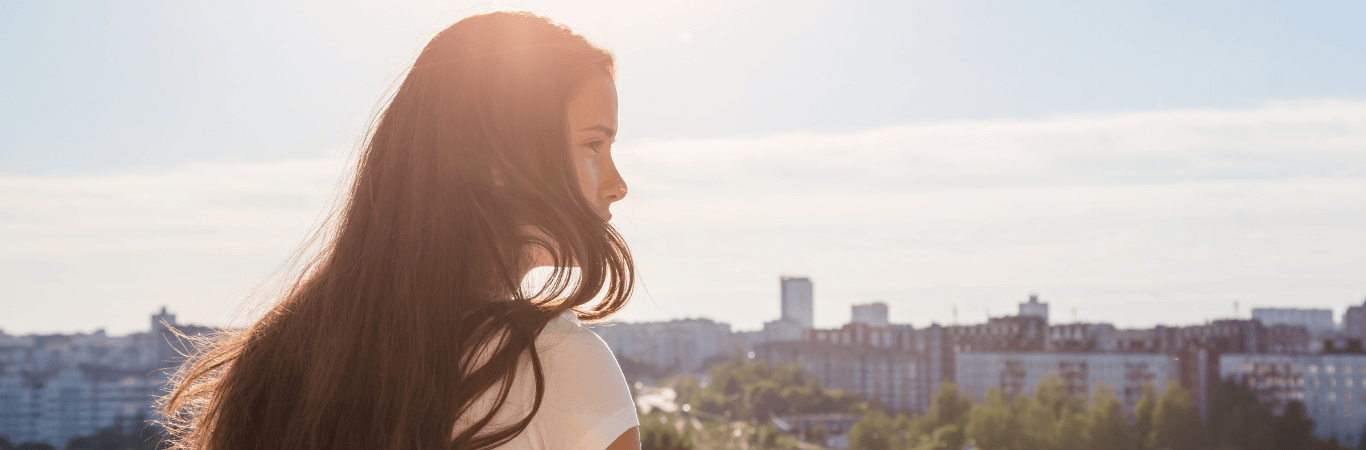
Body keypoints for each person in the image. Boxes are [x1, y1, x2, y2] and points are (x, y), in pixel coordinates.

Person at [159, 11, 640, 450]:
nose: (617, 185)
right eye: (593, 144)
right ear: (498, 157)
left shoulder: (274, 366)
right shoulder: (557, 366)